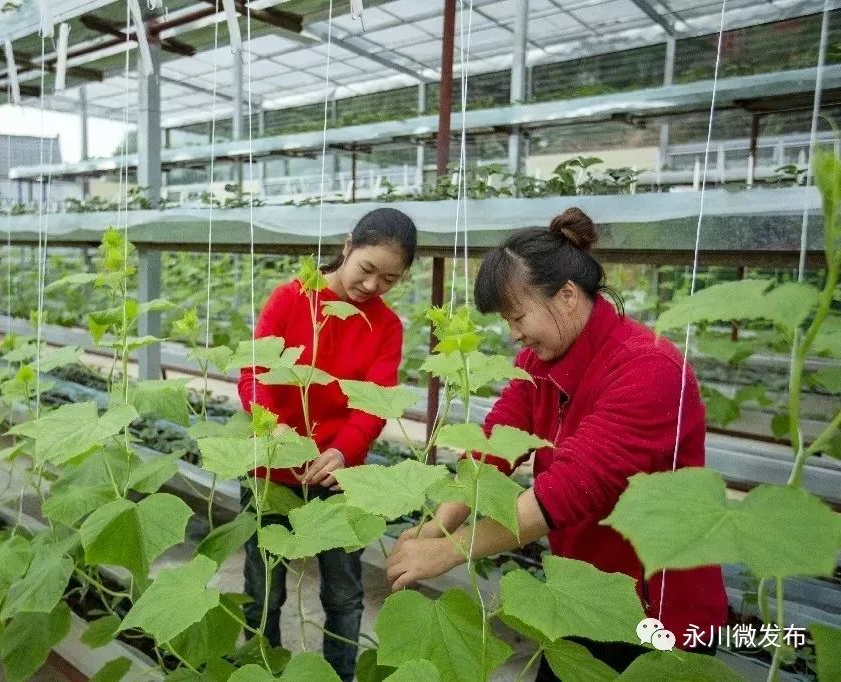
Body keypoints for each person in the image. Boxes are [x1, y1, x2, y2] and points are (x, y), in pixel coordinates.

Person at [385, 207, 727, 678]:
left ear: (567, 296)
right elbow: (494, 446)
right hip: (579, 596)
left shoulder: (649, 369)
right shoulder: (537, 361)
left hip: (659, 614)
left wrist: (453, 548)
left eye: (518, 315)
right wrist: (440, 524)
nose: (514, 333)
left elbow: (571, 489)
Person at [237, 207, 418, 681]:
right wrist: (274, 430)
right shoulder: (291, 299)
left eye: (390, 279)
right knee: (265, 588)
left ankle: (340, 675)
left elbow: (374, 404)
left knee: (343, 593)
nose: (374, 286)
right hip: (272, 468)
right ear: (347, 247)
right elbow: (253, 374)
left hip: (338, 474)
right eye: (367, 269)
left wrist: (343, 452)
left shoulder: (386, 327)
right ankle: (262, 667)